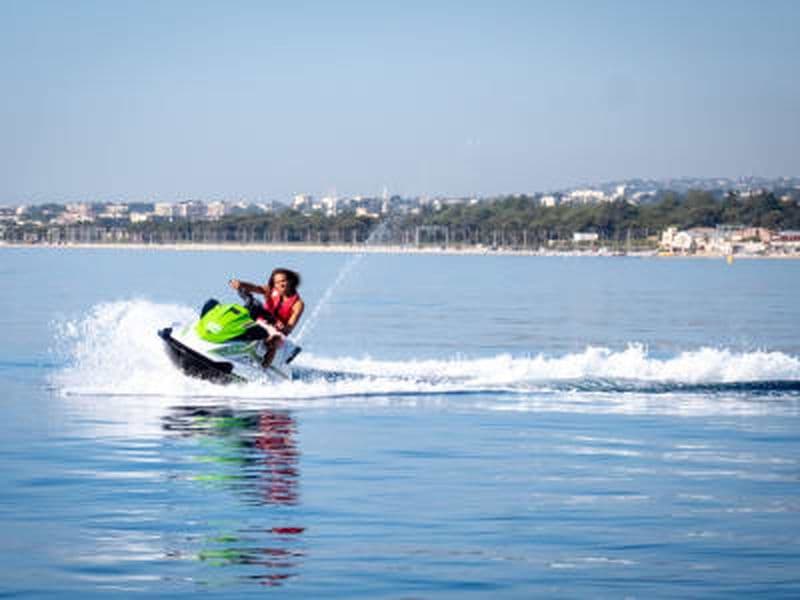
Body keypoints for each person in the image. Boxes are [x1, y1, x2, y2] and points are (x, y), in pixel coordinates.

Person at [229, 268, 304, 368]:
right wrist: (241, 284)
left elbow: (289, 328)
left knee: (274, 340)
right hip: (261, 321)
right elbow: (256, 288)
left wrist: (281, 326)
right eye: (277, 282)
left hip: (276, 331)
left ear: (291, 281)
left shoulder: (298, 304)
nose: (280, 284)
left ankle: (263, 368)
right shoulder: (271, 290)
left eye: (283, 281)